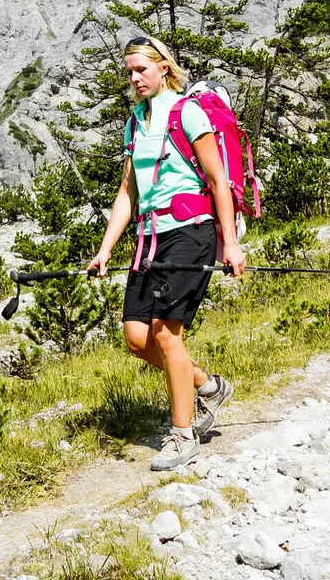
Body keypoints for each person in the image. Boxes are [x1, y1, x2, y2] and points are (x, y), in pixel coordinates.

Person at [88, 35, 247, 471]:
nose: (135, 78)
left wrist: (230, 244)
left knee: (165, 334)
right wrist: (105, 250)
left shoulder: (187, 112)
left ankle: (182, 435)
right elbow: (127, 192)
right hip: (150, 236)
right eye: (130, 72)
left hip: (191, 233)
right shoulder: (135, 121)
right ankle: (209, 387)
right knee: (137, 339)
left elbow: (217, 181)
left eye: (142, 69)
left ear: (163, 68)